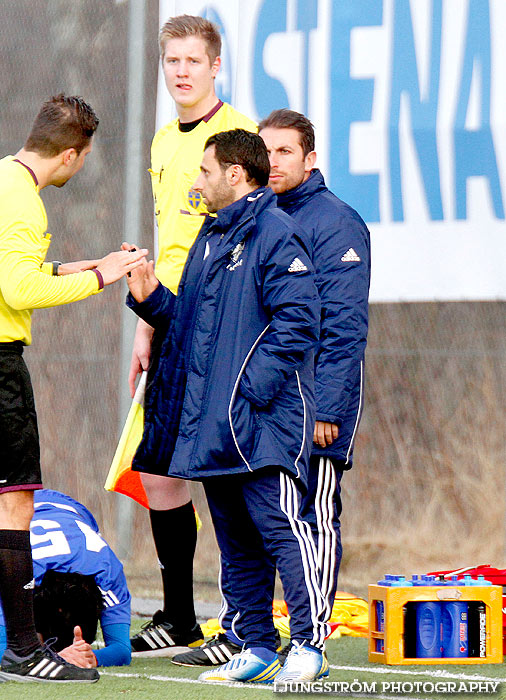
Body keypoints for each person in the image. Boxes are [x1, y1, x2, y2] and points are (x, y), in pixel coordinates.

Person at [0, 94, 147, 684]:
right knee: (15, 502)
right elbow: (19, 291)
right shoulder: (23, 201)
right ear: (70, 152)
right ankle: (25, 651)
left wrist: (83, 263)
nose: (79, 167)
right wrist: (100, 278)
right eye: (82, 157)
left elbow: (8, 272)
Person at [124, 129, 329, 685]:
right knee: (236, 540)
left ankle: (310, 645)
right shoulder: (210, 238)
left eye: (205, 171)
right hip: (212, 428)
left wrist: (247, 392)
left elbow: (298, 323)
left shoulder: (276, 233)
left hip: (261, 424)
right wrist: (149, 299)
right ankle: (259, 643)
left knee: (283, 531)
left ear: (236, 174)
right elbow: (190, 327)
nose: (196, 182)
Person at [127, 13, 256, 658]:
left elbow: (247, 236)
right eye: (172, 61)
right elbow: (168, 242)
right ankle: (180, 616)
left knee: (223, 473)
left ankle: (243, 622)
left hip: (215, 325)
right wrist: (148, 324)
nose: (181, 72)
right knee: (158, 473)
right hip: (171, 320)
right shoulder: (159, 140)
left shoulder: (235, 137)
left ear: (216, 66)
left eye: (193, 62)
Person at [259, 108, 370, 630]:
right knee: (264, 518)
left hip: (316, 406)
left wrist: (327, 408)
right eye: (266, 151)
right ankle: (254, 633)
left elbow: (344, 328)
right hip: (267, 402)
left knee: (314, 517)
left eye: (285, 151)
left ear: (310, 158)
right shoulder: (256, 216)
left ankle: (313, 632)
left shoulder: (336, 221)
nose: (273, 161)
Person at [0, 489, 131, 668]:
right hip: (5, 516)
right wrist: (53, 656)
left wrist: (90, 657)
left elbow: (122, 650)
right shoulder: (18, 571)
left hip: (67, 508)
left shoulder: (108, 572)